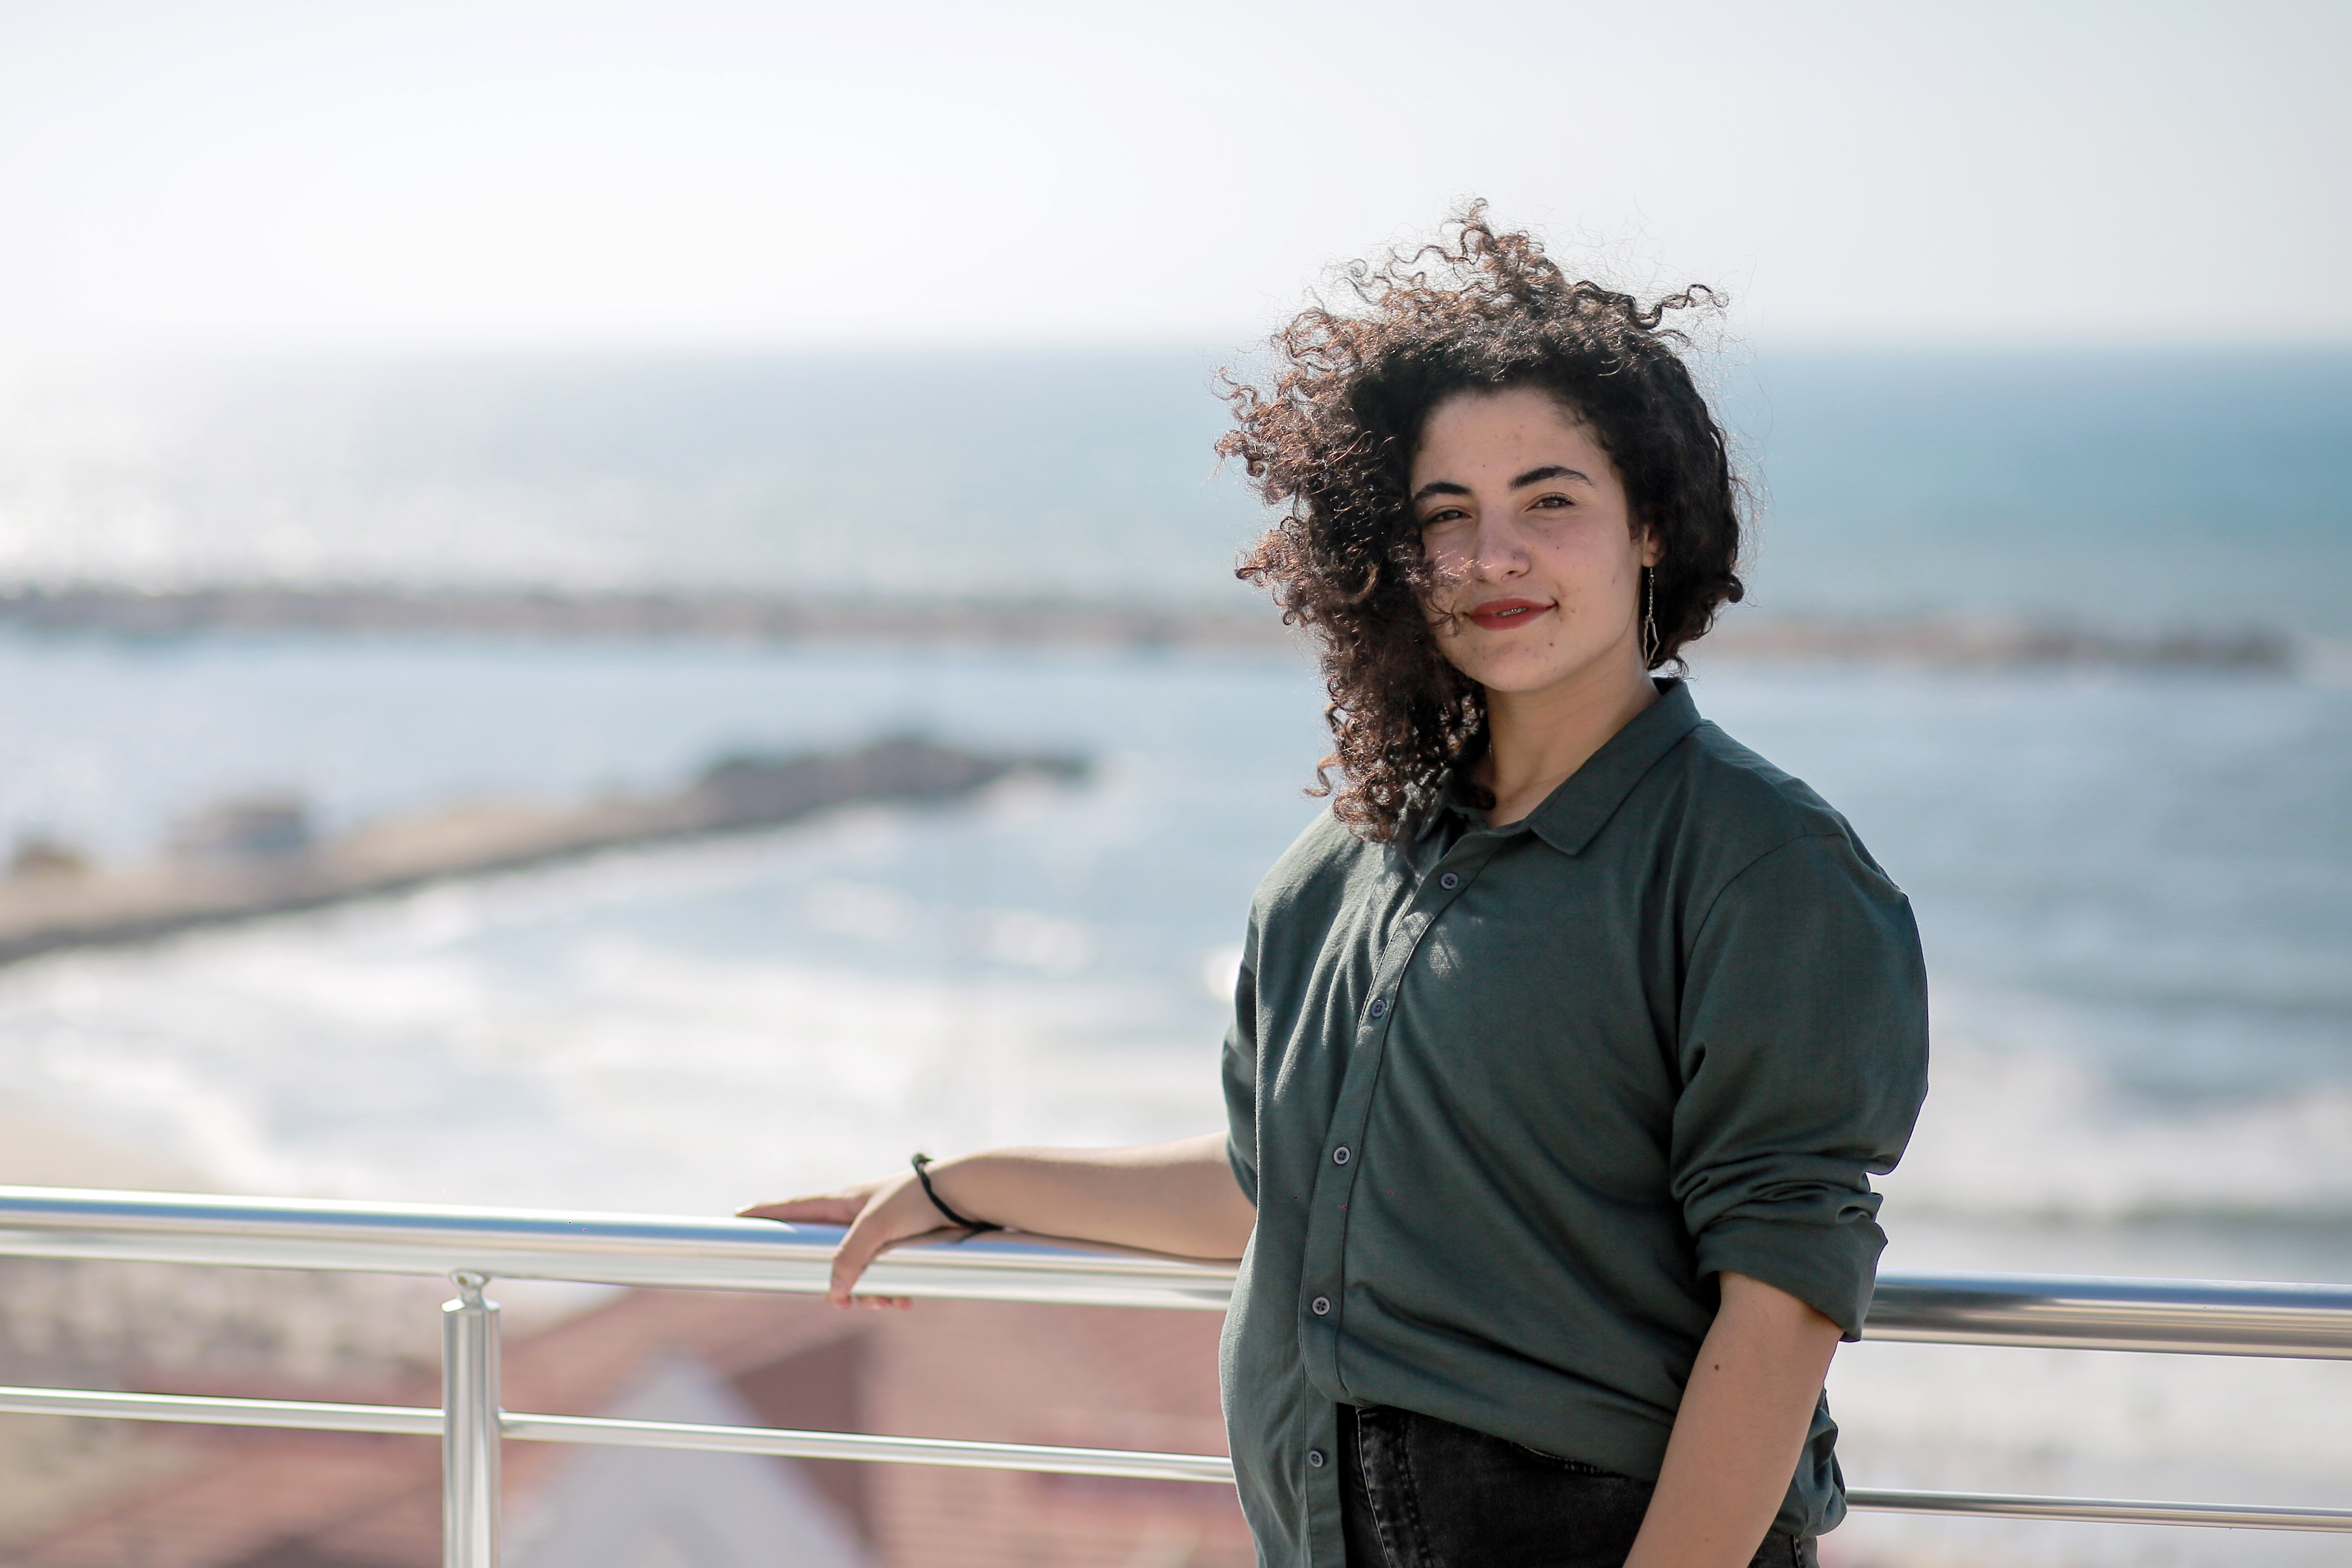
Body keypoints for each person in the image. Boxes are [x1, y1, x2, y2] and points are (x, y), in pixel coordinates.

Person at [742, 210, 1930, 1568]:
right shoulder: (1337, 867)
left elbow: (1778, 1308)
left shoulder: (1759, 864)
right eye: (1445, 516)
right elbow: (1275, 1188)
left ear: (1649, 523)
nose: (1492, 557)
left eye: (1549, 501)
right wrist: (964, 1183)